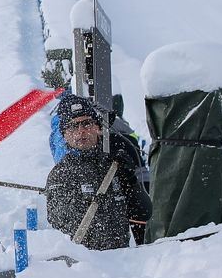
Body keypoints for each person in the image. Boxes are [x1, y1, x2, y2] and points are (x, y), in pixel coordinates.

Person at [45, 96, 152, 250]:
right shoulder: (61, 175)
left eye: (87, 123)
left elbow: (143, 214)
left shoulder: (114, 166)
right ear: (65, 135)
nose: (81, 131)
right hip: (87, 266)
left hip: (123, 261)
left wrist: (130, 181)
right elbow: (63, 227)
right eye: (73, 126)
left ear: (98, 128)